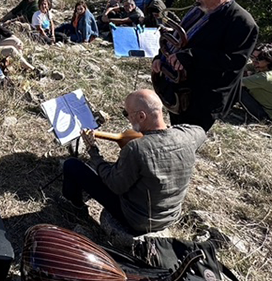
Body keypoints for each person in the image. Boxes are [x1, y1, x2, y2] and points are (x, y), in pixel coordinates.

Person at [61, 89, 206, 235]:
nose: (128, 119)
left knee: (72, 166)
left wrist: (93, 151)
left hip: (138, 220)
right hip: (169, 217)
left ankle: (74, 206)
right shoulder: (188, 137)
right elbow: (200, 131)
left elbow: (114, 185)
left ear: (141, 116)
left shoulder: (136, 149)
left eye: (127, 114)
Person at [152, 0, 258, 131]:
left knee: (188, 138)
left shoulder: (242, 22)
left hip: (203, 97)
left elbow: (234, 61)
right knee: (176, 130)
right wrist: (161, 57)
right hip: (179, 86)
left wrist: (190, 56)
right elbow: (177, 37)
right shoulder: (199, 9)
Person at [0, 1, 38, 74]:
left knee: (15, 41)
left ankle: (21, 65)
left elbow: (7, 33)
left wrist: (18, 41)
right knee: (11, 49)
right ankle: (32, 69)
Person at [239, 44, 272, 123]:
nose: (254, 61)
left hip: (267, 115)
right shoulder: (270, 68)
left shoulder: (266, 77)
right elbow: (241, 67)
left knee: (237, 89)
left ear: (269, 60)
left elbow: (235, 83)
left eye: (259, 59)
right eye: (252, 57)